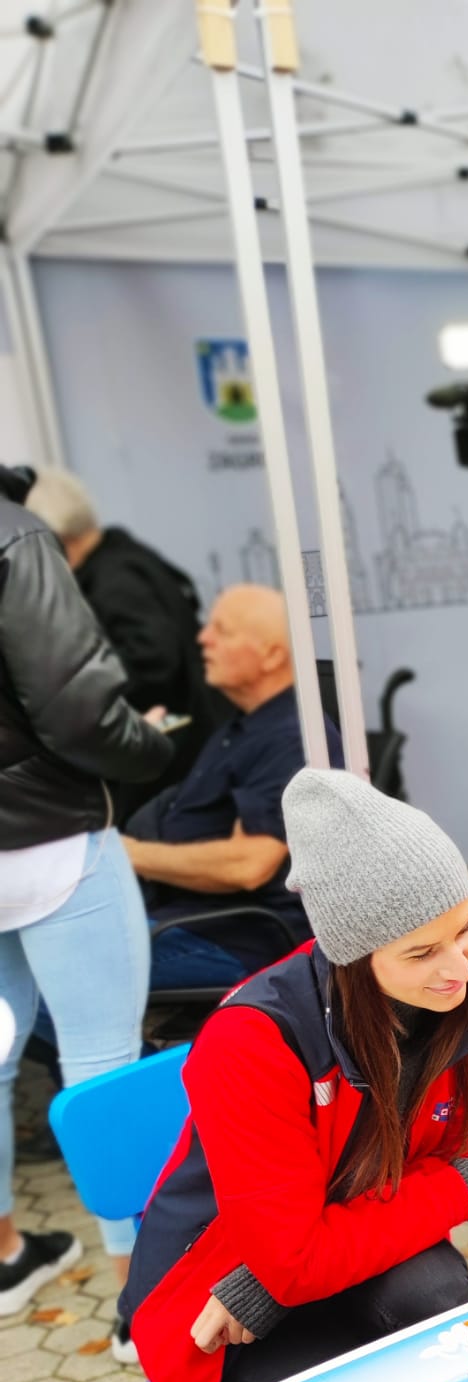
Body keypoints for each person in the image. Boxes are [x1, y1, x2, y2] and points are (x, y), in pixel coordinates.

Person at [116, 768, 468, 1382]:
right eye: (421, 953)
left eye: (465, 929)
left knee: (439, 1306)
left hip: (282, 1269)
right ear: (351, 951)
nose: (460, 969)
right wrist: (452, 1191)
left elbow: (466, 1134)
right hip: (208, 1286)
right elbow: (452, 1172)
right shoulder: (251, 1041)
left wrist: (290, 1268)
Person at [0, 463, 173, 1325]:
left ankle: (3, 1258)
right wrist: (153, 752)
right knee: (104, 1063)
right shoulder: (15, 531)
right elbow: (80, 714)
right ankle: (138, 1305)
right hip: (50, 836)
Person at [120, 584, 341, 992]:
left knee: (58, 976)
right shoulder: (247, 726)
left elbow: (248, 865)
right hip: (189, 916)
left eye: (223, 630)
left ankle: (169, 1060)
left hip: (238, 936)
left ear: (273, 654)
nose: (203, 638)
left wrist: (124, 855)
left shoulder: (292, 738)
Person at [25, 467, 220, 782]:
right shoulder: (124, 556)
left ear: (53, 535)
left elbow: (154, 661)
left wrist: (82, 698)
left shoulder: (115, 582)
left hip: (173, 755)